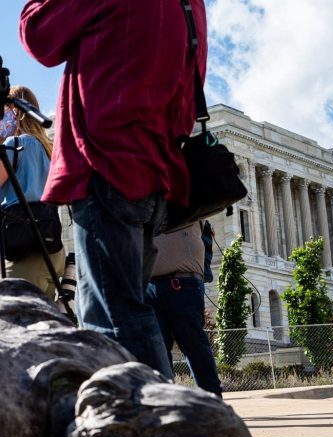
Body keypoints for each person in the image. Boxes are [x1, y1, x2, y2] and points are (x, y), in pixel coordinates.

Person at [20, 0, 208, 377]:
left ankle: (150, 425)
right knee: (124, 308)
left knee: (112, 319)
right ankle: (155, 418)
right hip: (153, 171)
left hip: (108, 166)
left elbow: (38, 32)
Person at [0, 85, 63, 302]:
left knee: (20, 322)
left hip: (24, 246)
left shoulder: (16, 145)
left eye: (2, 112)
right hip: (51, 243)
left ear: (15, 111)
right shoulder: (48, 147)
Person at [147, 222, 224, 396]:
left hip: (183, 282)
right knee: (157, 348)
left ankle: (211, 398)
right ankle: (166, 401)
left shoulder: (187, 199)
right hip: (150, 284)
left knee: (193, 344)